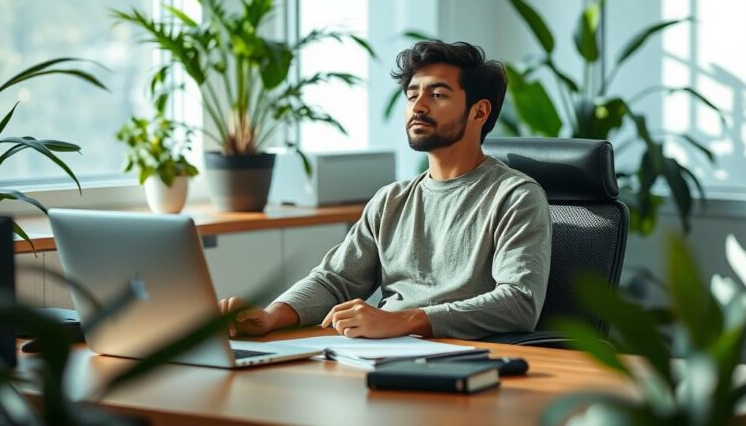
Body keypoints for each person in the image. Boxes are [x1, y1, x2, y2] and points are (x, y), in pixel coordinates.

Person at [219, 41, 551, 340]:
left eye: (437, 95)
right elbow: (335, 280)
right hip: (384, 352)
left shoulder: (515, 195)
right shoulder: (391, 200)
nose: (418, 106)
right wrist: (270, 316)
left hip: (466, 359)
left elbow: (519, 302)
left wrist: (405, 321)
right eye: (412, 95)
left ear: (479, 112)